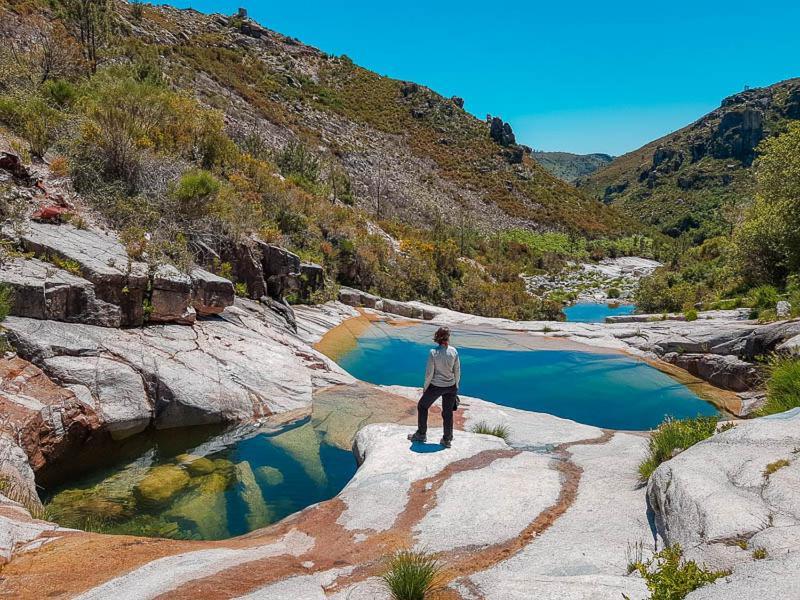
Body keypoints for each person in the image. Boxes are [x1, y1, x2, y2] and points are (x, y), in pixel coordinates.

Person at [407, 327, 460, 448]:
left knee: (422, 406)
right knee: (447, 413)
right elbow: (457, 370)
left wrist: (425, 387)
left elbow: (429, 373)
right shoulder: (454, 351)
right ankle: (447, 439)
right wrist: (456, 386)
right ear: (448, 337)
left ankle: (421, 434)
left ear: (437, 337)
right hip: (451, 386)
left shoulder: (433, 352)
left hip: (436, 386)